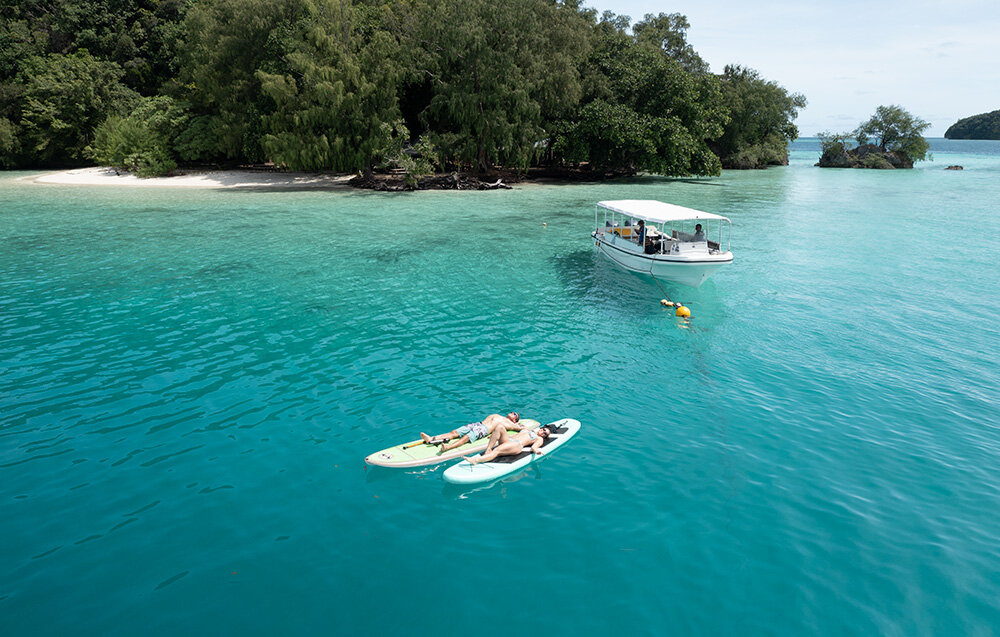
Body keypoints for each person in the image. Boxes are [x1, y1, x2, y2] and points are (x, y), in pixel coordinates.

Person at [420, 412, 523, 452]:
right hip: (477, 424)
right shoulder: (500, 416)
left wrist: (520, 426)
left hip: (484, 429)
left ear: (515, 420)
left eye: (514, 414)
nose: (511, 412)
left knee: (465, 438)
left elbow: (520, 429)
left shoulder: (509, 424)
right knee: (454, 432)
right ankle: (432, 439)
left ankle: (447, 448)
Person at [463, 425, 552, 465]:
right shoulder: (528, 430)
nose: (543, 432)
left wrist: (537, 451)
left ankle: (477, 460)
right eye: (544, 430)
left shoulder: (539, 439)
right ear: (541, 428)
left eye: (545, 434)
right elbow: (514, 434)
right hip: (509, 440)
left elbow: (534, 447)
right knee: (499, 427)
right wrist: (496, 435)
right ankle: (488, 450)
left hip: (517, 445)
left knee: (497, 450)